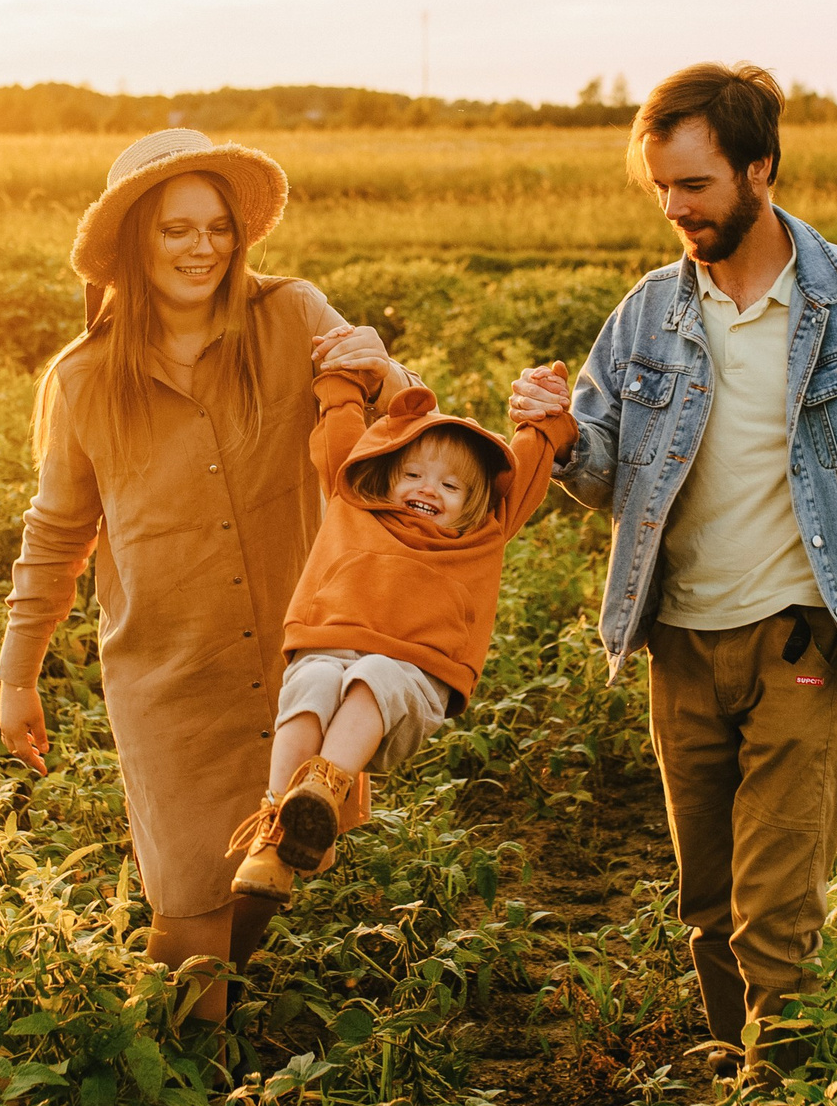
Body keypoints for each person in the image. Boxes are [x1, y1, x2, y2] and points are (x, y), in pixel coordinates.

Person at [508, 62, 837, 1075]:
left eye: (696, 184)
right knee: (707, 901)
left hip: (800, 638)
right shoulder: (646, 314)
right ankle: (742, 1079)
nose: (676, 209)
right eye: (661, 188)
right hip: (678, 642)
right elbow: (602, 468)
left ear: (758, 167)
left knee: (775, 905)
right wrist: (558, 433)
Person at [0, 129, 415, 1023]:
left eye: (218, 227)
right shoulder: (84, 381)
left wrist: (383, 375)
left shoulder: (293, 315)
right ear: (132, 247)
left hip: (296, 670)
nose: (203, 247)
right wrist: (16, 673)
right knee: (188, 909)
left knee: (271, 869)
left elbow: (399, 426)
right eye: (176, 230)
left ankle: (223, 1074)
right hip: (170, 682)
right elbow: (55, 534)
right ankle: (175, 1104)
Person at [227, 366, 577, 907]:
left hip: (413, 676)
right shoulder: (354, 501)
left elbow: (530, 463)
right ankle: (281, 824)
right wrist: (342, 379)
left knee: (376, 674)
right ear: (386, 473)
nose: (427, 489)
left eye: (450, 485)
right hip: (328, 643)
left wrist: (549, 416)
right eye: (413, 474)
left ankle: (324, 788)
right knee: (314, 680)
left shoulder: (485, 531)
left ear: (476, 501)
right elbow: (339, 425)